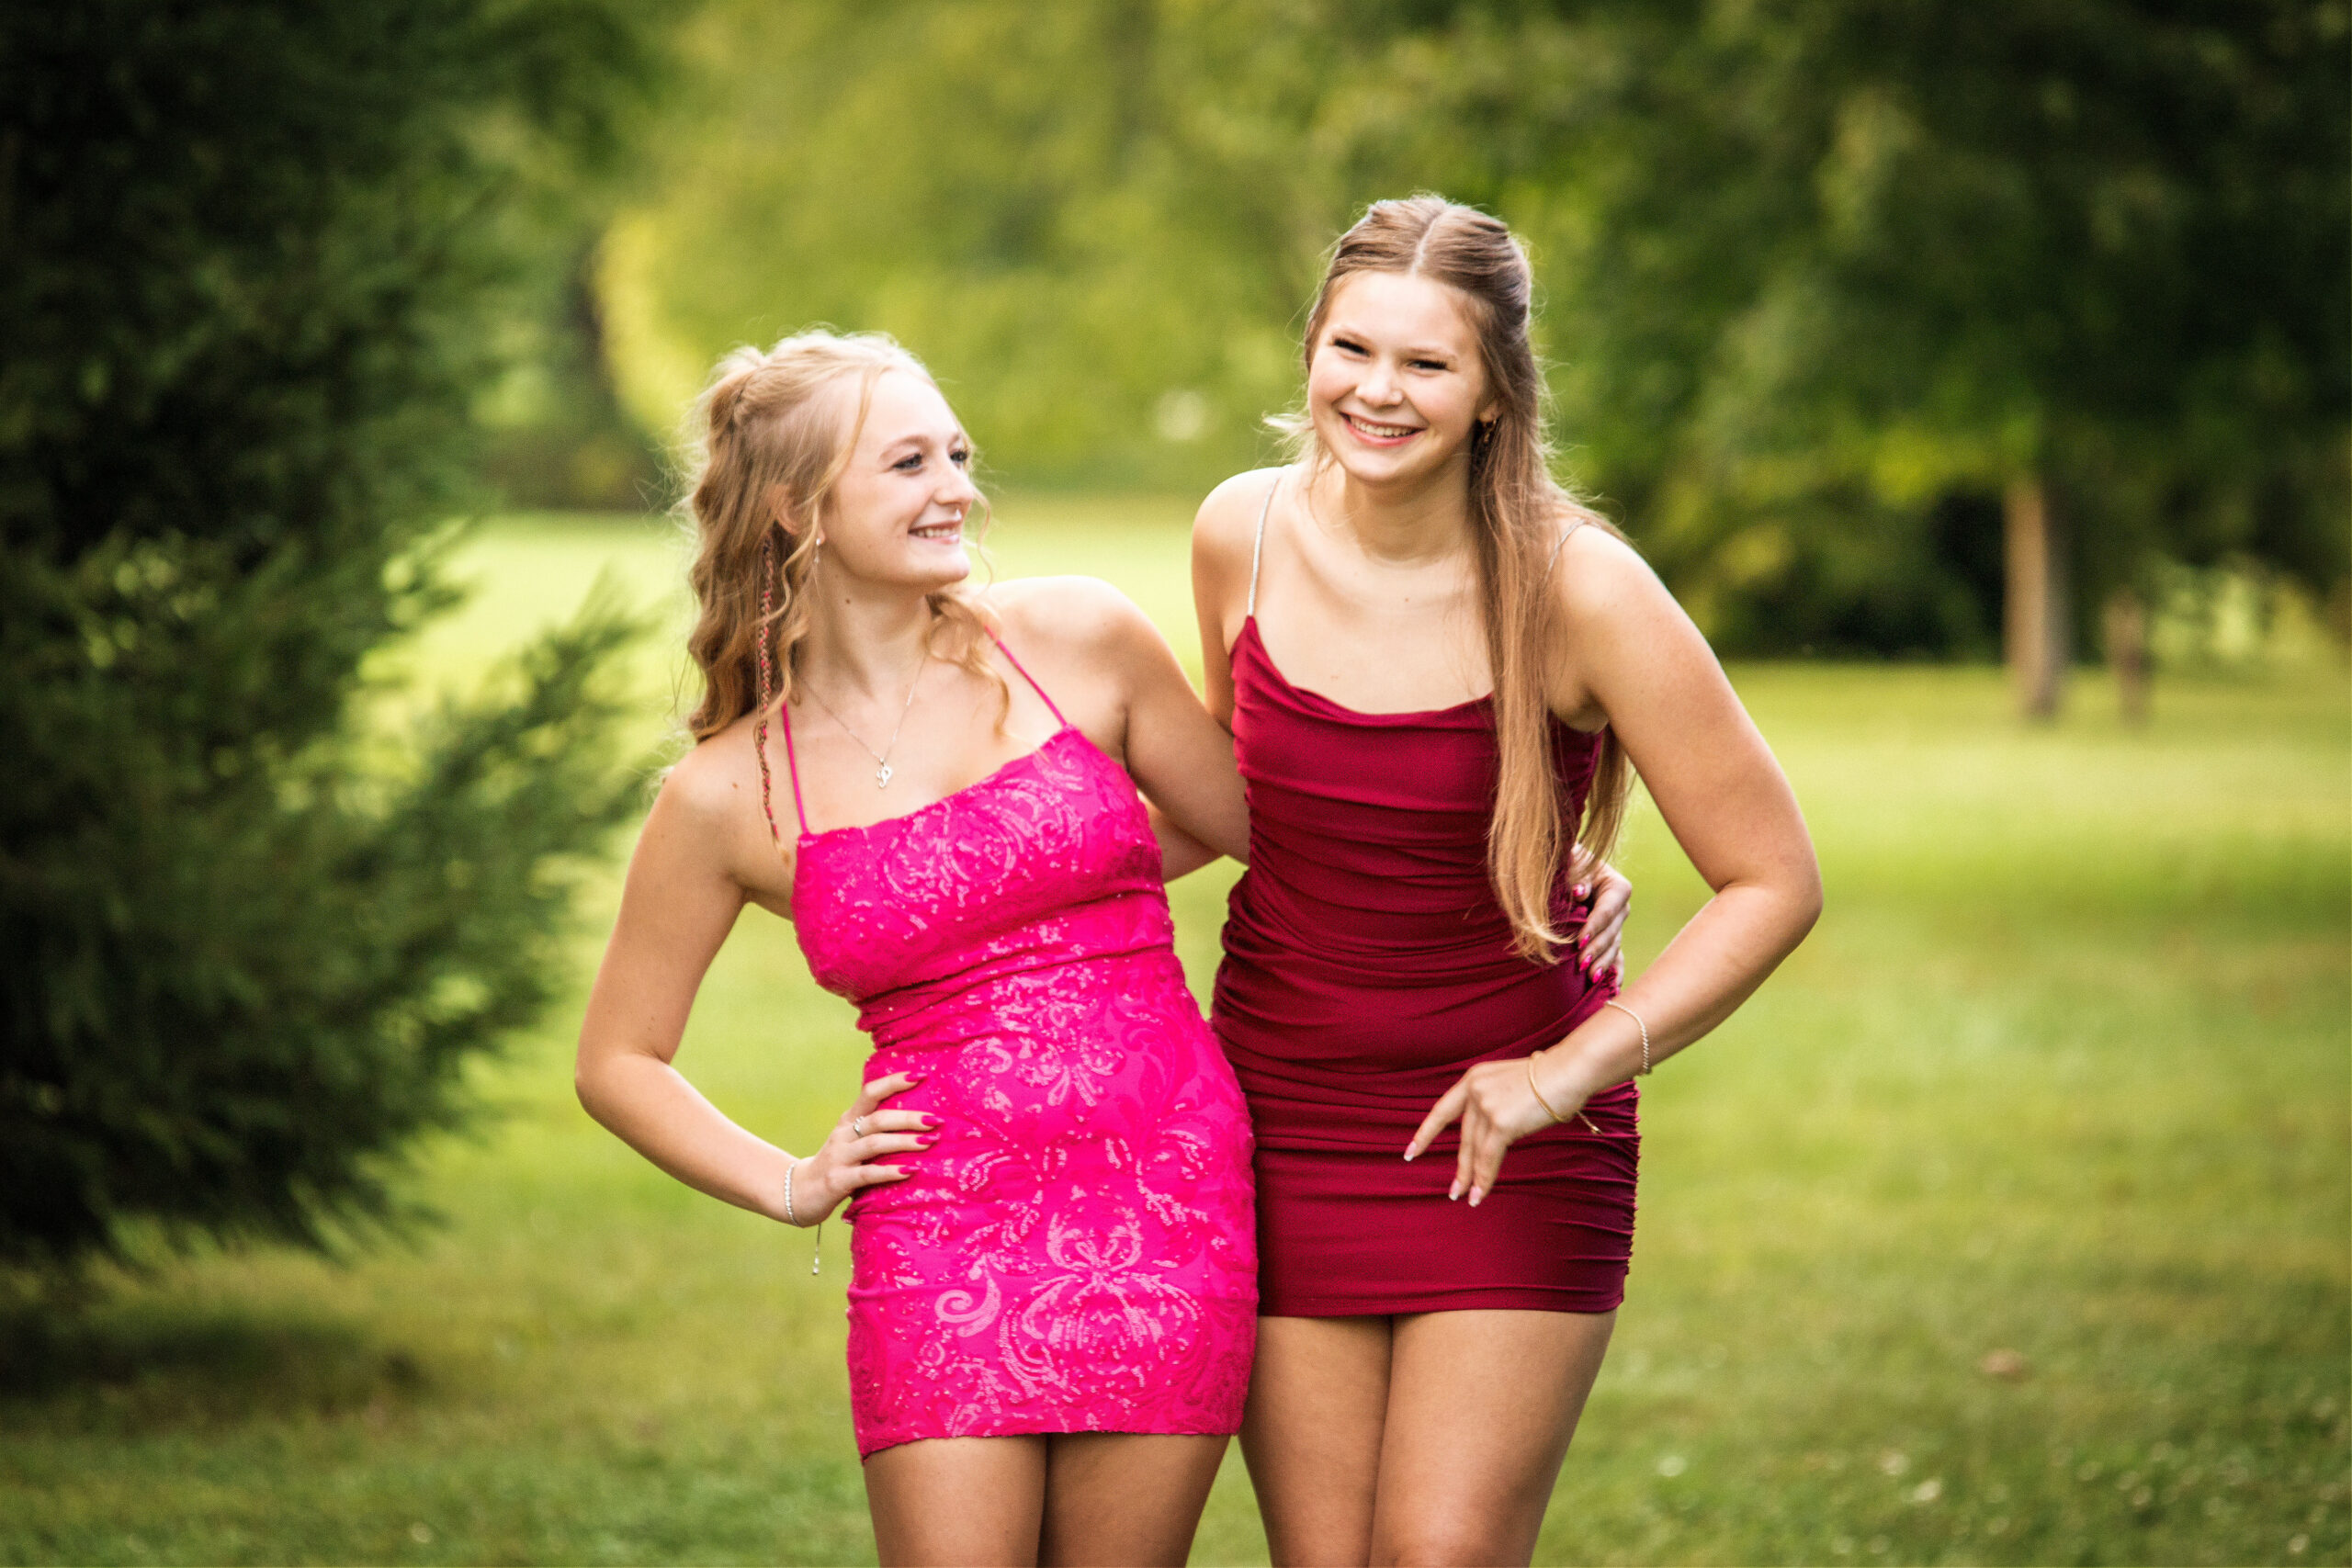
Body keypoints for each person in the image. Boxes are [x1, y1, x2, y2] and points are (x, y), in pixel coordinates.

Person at [1192, 196, 1823, 1566]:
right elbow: (1256, 809)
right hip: (1281, 1114)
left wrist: (1574, 1069)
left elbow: (1774, 878)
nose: (1377, 391)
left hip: (1512, 1138)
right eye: (1351, 348)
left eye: (1428, 364)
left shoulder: (1581, 586)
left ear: (1492, 395)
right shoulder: (1238, 532)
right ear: (1309, 346)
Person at [571, 331, 1269, 1567]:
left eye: (956, 453)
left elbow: (1270, 829)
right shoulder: (730, 794)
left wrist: (1547, 846)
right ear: (799, 510)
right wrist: (791, 1182)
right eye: (907, 463)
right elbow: (619, 1058)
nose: (956, 485)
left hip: (1167, 1199)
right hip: (942, 1230)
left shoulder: (1076, 640)